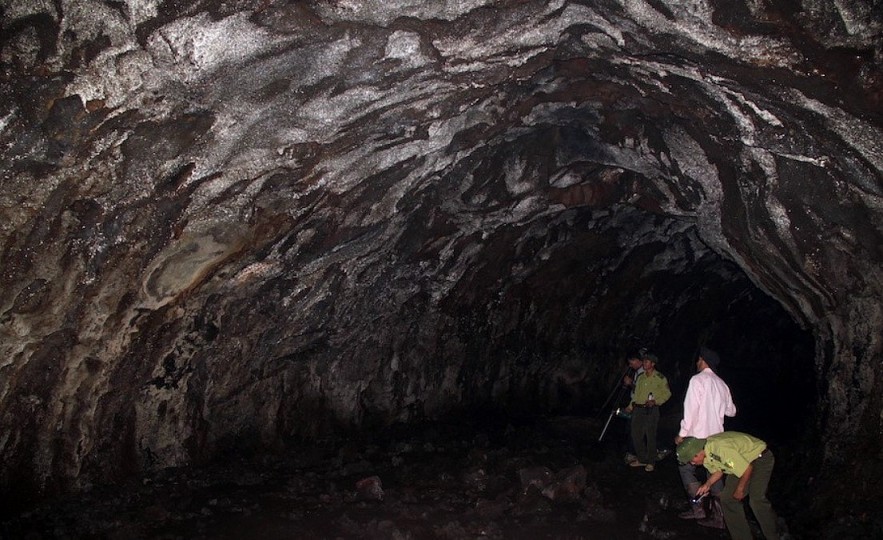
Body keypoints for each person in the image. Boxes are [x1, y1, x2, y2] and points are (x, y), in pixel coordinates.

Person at [676, 433, 780, 540]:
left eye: (691, 460)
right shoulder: (706, 455)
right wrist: (707, 485)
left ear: (697, 454)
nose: (692, 464)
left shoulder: (720, 449)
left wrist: (740, 489)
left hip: (760, 458)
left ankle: (775, 534)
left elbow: (747, 469)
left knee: (756, 499)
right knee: (727, 499)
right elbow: (719, 470)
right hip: (740, 463)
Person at [675, 346, 737, 526]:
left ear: (703, 361)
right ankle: (720, 518)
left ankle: (698, 509)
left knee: (685, 468)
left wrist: (682, 434)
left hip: (697, 436)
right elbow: (731, 411)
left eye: (698, 359)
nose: (696, 362)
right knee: (715, 471)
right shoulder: (722, 384)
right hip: (717, 438)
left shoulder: (698, 380)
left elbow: (690, 410)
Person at [625, 352, 671, 471]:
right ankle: (642, 459)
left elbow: (667, 394)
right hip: (638, 409)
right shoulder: (641, 377)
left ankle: (651, 461)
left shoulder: (660, 378)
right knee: (636, 435)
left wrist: (656, 401)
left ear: (653, 364)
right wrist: (630, 406)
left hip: (651, 410)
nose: (644, 363)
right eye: (644, 361)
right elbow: (636, 394)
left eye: (646, 361)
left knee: (650, 436)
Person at [622, 350, 645, 465]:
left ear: (637, 360)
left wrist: (630, 383)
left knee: (634, 430)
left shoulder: (644, 372)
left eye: (631, 362)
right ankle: (631, 452)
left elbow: (642, 391)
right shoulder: (638, 372)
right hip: (635, 403)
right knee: (629, 428)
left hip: (639, 405)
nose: (630, 365)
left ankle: (634, 454)